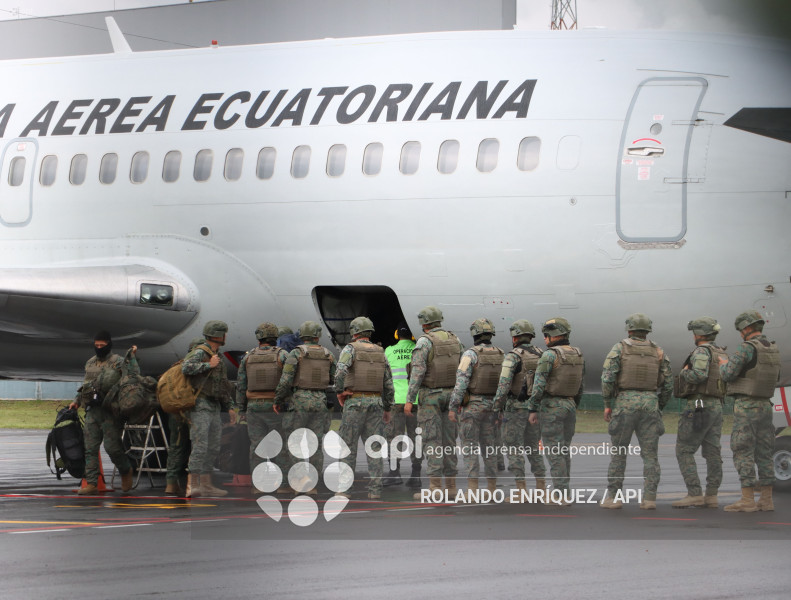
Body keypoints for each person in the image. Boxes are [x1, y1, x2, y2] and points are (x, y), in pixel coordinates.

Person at [599, 314, 672, 510]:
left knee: (619, 453)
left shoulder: (620, 348)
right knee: (650, 455)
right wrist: (659, 405)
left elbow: (607, 378)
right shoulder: (658, 351)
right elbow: (668, 383)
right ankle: (649, 498)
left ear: (629, 329)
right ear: (647, 330)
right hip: (650, 403)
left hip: (625, 404)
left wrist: (608, 403)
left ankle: (614, 497)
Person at [719, 310, 780, 512]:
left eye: (740, 330)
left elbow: (728, 374)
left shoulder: (746, 348)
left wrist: (723, 364)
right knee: (764, 452)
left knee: (743, 450)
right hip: (765, 406)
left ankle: (747, 499)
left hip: (746, 406)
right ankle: (766, 499)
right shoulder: (772, 348)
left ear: (746, 328)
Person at [405, 306, 463, 499]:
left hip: (430, 397)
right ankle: (451, 487)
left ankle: (435, 488)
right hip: (452, 396)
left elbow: (417, 372)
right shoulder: (455, 339)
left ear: (424, 323)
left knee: (432, 441)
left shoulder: (425, 341)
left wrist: (409, 399)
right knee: (449, 441)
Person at [69, 330, 137, 495]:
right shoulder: (90, 363)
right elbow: (86, 385)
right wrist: (76, 401)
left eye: (102, 345)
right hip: (93, 410)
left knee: (112, 447)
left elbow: (133, 376)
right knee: (90, 448)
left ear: (109, 344)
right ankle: (91, 483)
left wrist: (132, 358)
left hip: (110, 411)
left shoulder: (118, 362)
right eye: (96, 345)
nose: (99, 348)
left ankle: (125, 469)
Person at [334, 317, 394, 499]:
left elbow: (340, 372)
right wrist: (387, 407)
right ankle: (375, 490)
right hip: (375, 403)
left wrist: (340, 392)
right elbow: (388, 383)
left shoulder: (350, 349)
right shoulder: (380, 352)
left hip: (355, 402)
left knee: (348, 447)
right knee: (374, 447)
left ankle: (345, 490)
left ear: (355, 332)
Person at [274, 320, 336, 495]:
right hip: (320, 401)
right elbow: (334, 379)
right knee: (315, 444)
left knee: (294, 442)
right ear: (317, 336)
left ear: (302, 335)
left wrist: (278, 399)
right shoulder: (328, 354)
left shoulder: (296, 353)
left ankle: (302, 478)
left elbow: (286, 380)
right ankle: (312, 484)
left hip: (300, 400)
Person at [527, 317, 584, 504]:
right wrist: (574, 403)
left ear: (553, 335)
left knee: (554, 452)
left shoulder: (549, 355)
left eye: (546, 335)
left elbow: (539, 384)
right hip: (570, 405)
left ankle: (560, 494)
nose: (544, 339)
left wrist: (533, 408)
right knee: (564, 450)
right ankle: (564, 491)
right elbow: (580, 385)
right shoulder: (577, 354)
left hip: (552, 406)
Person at [672, 317, 726, 508]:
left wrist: (685, 372)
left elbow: (699, 375)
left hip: (699, 403)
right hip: (716, 405)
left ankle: (694, 493)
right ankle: (712, 495)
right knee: (712, 451)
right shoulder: (719, 352)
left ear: (700, 334)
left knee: (684, 450)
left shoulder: (702, 351)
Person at [449, 318, 504, 499]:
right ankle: (492, 489)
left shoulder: (470, 355)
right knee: (490, 449)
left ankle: (472, 491)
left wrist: (453, 406)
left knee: (470, 447)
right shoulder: (501, 354)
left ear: (474, 334)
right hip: (493, 407)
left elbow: (461, 383)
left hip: (472, 407)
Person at [492, 319, 547, 497]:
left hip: (515, 408)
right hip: (536, 408)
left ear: (515, 337)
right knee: (533, 448)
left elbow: (504, 385)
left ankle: (521, 489)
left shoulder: (513, 356)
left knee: (514, 448)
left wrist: (497, 408)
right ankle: (541, 488)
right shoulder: (542, 354)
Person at [182, 320, 236, 498]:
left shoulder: (215, 355)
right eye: (224, 333)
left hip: (214, 406)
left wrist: (229, 407)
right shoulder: (201, 352)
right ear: (218, 335)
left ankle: (206, 484)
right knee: (200, 444)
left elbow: (222, 385)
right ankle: (192, 484)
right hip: (201, 405)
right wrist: (208, 365)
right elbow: (186, 368)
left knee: (213, 445)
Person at [235, 322, 289, 493]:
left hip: (253, 407)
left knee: (257, 445)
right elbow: (288, 381)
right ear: (275, 337)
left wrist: (241, 409)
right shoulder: (283, 356)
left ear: (259, 337)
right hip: (275, 407)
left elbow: (241, 385)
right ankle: (282, 485)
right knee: (280, 444)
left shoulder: (248, 357)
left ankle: (258, 485)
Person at [383, 323, 422, 488]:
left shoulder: (389, 351)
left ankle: (394, 473)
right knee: (416, 438)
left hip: (397, 401)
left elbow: (385, 376)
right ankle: (416, 475)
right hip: (416, 401)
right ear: (413, 336)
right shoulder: (418, 350)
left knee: (394, 438)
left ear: (396, 335)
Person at [164, 336, 204, 495]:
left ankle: (171, 483)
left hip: (176, 412)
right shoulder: (200, 367)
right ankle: (193, 483)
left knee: (176, 447)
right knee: (197, 446)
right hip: (193, 412)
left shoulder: (176, 367)